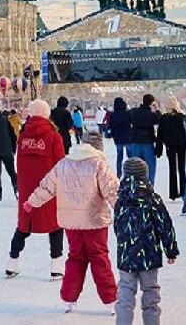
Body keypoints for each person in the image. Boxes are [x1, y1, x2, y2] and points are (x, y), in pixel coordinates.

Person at [25, 130, 119, 314]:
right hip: (94, 222)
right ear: (98, 147)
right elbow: (112, 191)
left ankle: (68, 299)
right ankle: (111, 300)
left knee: (76, 257)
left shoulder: (64, 163)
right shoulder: (99, 164)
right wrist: (124, 211)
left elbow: (47, 186)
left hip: (71, 223)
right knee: (99, 257)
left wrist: (32, 201)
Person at [113, 157, 179, 325]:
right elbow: (165, 225)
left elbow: (118, 226)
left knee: (125, 294)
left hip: (127, 256)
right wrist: (170, 249)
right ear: (145, 176)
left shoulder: (120, 200)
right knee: (150, 294)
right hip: (149, 256)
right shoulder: (152, 199)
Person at [6, 99, 66, 280]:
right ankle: (56, 266)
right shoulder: (54, 136)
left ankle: (12, 262)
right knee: (55, 225)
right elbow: (60, 165)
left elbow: (19, 163)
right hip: (48, 189)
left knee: (24, 226)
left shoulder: (23, 136)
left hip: (27, 189)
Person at [155, 97, 186, 200]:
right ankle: (183, 190)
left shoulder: (164, 118)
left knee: (172, 169)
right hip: (182, 145)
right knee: (182, 169)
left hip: (170, 146)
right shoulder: (182, 117)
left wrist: (158, 149)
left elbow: (160, 134)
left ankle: (173, 193)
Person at [127, 94, 160, 185]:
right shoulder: (151, 114)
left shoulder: (134, 112)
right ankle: (149, 186)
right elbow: (157, 120)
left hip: (135, 141)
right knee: (150, 166)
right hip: (148, 141)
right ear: (151, 102)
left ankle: (135, 186)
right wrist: (156, 110)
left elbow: (128, 116)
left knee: (135, 166)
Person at [109, 97, 133, 176]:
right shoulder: (127, 113)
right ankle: (131, 171)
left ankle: (119, 172)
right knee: (130, 156)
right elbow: (132, 122)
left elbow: (111, 126)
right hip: (128, 137)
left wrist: (112, 135)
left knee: (119, 156)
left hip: (118, 138)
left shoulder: (113, 114)